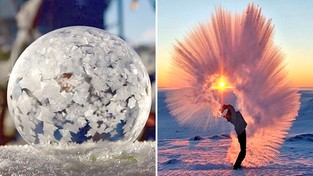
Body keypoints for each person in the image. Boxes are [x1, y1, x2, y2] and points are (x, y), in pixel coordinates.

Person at [221, 104, 247, 170]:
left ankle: (237, 165)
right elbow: (231, 108)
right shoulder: (233, 117)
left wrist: (225, 109)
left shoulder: (232, 117)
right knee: (243, 152)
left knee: (243, 151)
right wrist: (226, 106)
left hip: (241, 133)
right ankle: (236, 166)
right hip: (241, 134)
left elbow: (231, 110)